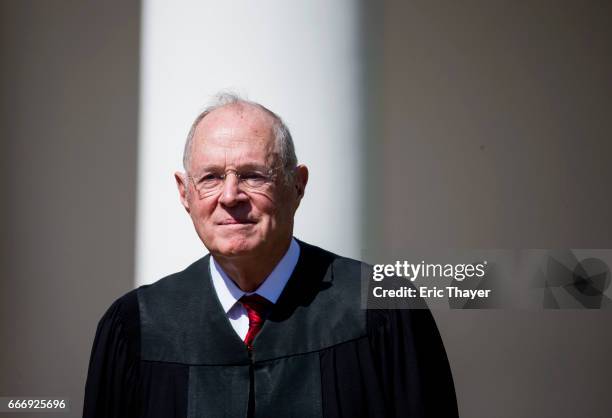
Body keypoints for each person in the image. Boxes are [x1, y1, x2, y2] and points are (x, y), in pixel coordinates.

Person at [83, 93, 458, 418]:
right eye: (211, 177)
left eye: (252, 175)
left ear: (297, 185)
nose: (230, 196)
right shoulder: (136, 327)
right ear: (185, 193)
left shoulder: (381, 312)